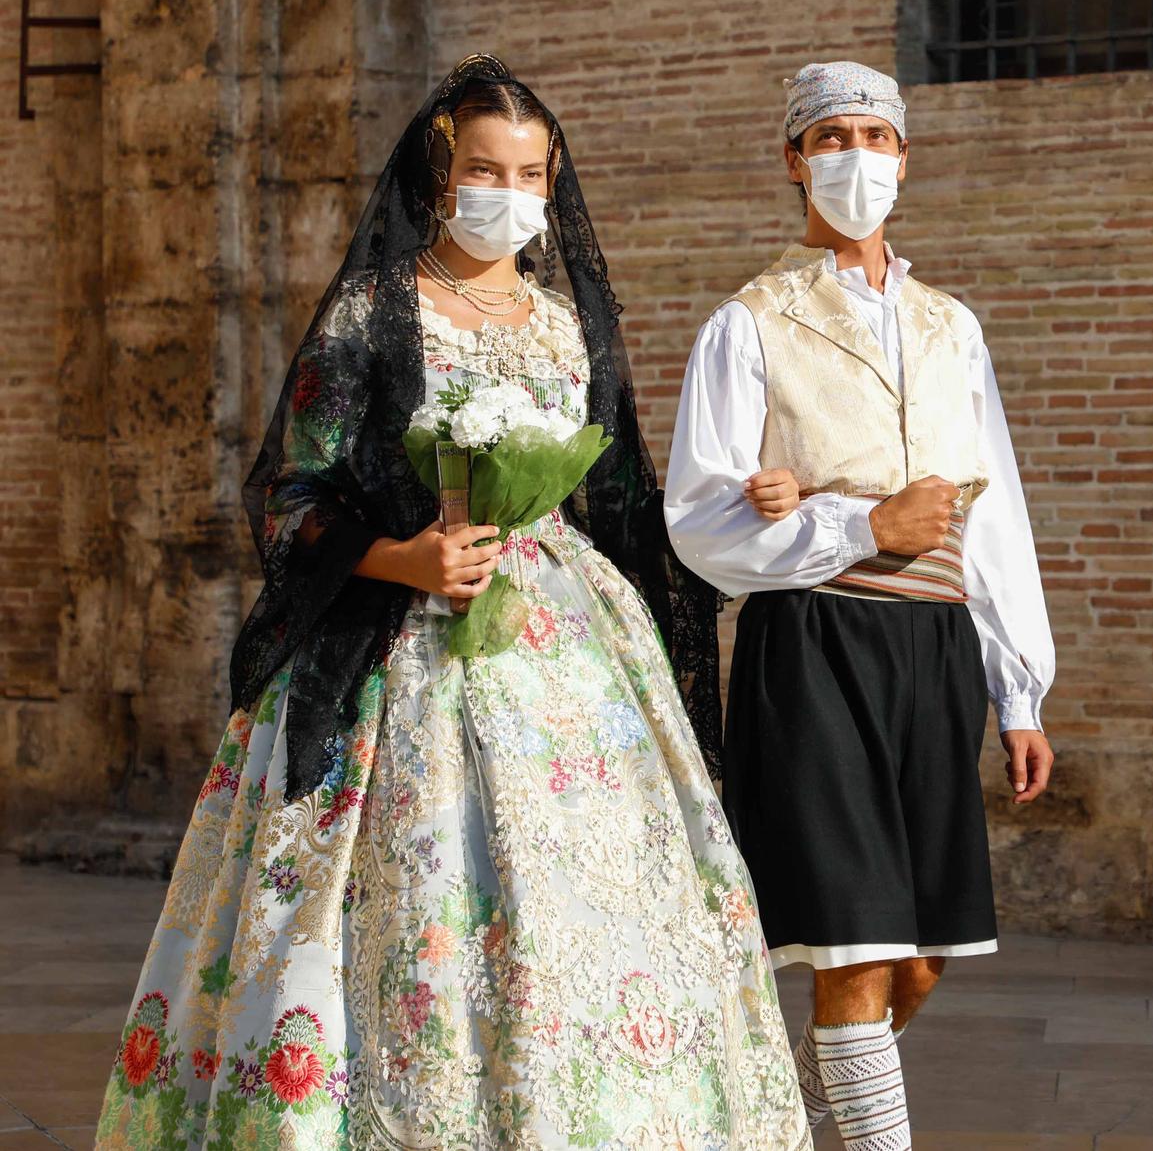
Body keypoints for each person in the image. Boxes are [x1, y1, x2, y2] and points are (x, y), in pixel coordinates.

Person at [93, 56, 809, 1150]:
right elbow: (289, 499)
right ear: (442, 172)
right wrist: (403, 560)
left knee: (582, 900)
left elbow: (614, 497)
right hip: (398, 640)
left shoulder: (570, 323)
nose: (506, 193)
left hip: (568, 641)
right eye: (484, 167)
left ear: (552, 178)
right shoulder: (373, 314)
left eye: (527, 173)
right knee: (421, 900)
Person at [663, 59, 1056, 1151]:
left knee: (918, 959)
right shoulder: (747, 324)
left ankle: (777, 1121)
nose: (856, 159)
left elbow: (998, 513)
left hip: (932, 646)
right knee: (853, 949)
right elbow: (698, 522)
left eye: (875, 138)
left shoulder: (950, 326)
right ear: (792, 160)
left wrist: (1018, 689)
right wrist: (855, 525)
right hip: (814, 642)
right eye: (830, 138)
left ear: (904, 157)